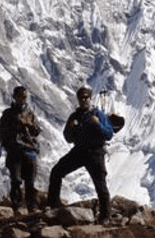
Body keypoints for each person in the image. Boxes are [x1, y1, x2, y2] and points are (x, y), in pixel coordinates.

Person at [47, 86, 115, 224]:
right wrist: (71, 128)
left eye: (86, 97)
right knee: (56, 171)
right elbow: (68, 138)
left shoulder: (98, 114)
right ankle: (53, 204)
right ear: (78, 100)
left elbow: (109, 134)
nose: (84, 100)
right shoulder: (74, 116)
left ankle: (105, 216)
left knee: (100, 185)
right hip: (79, 151)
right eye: (81, 98)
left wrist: (98, 125)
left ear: (90, 98)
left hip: (95, 152)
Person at [0, 86, 41, 213]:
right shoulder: (8, 114)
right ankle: (17, 207)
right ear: (15, 97)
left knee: (30, 182)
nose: (23, 99)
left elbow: (37, 131)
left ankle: (32, 207)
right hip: (15, 151)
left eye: (25, 97)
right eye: (21, 96)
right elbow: (1, 132)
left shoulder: (30, 114)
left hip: (29, 151)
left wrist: (29, 125)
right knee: (16, 180)